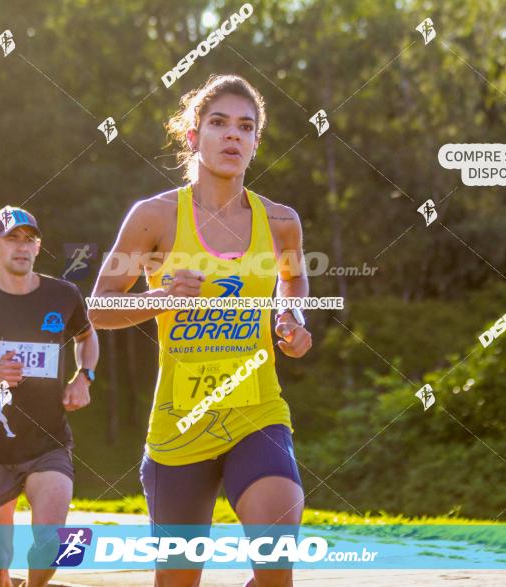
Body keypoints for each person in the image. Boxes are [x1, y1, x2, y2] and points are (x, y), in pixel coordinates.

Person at [89, 74, 313, 587]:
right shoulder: (154, 217)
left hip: (257, 409)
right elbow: (96, 308)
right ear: (193, 136)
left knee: (276, 553)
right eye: (218, 123)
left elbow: (294, 279)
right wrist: (161, 299)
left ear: (256, 143)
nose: (233, 136)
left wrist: (293, 318)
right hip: (179, 424)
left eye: (245, 127)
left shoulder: (281, 221)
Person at [0, 205, 99, 587]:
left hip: (49, 442)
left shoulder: (63, 295)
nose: (21, 247)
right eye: (12, 239)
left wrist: (84, 377)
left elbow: (87, 336)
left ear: (38, 245)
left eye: (28, 239)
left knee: (49, 544)